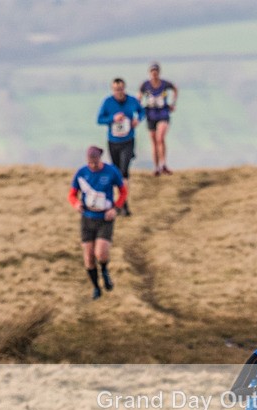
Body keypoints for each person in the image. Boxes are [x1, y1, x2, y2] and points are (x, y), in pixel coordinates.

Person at [68, 146, 127, 300]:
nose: (92, 165)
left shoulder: (111, 171)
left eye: (95, 162)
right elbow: (72, 194)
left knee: (100, 253)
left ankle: (105, 270)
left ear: (99, 159)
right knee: (88, 257)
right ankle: (96, 287)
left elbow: (123, 191)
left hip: (105, 219)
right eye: (90, 162)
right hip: (87, 219)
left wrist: (116, 208)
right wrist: (76, 204)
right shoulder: (81, 173)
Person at [97, 78, 145, 216]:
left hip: (128, 141)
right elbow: (99, 119)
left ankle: (124, 204)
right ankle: (119, 203)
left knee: (124, 172)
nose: (119, 92)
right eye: (116, 89)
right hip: (113, 142)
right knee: (116, 173)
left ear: (124, 88)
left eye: (121, 89)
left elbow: (142, 112)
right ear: (113, 90)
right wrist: (113, 118)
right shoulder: (108, 102)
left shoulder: (131, 101)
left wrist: (138, 119)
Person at [138, 63, 178, 176]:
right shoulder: (145, 85)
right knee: (154, 142)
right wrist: (139, 106)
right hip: (150, 114)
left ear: (159, 72)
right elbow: (139, 97)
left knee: (160, 138)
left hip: (163, 114)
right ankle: (156, 167)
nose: (154, 74)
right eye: (152, 72)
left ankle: (163, 164)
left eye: (156, 72)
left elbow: (175, 88)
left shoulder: (164, 84)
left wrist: (173, 103)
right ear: (150, 73)